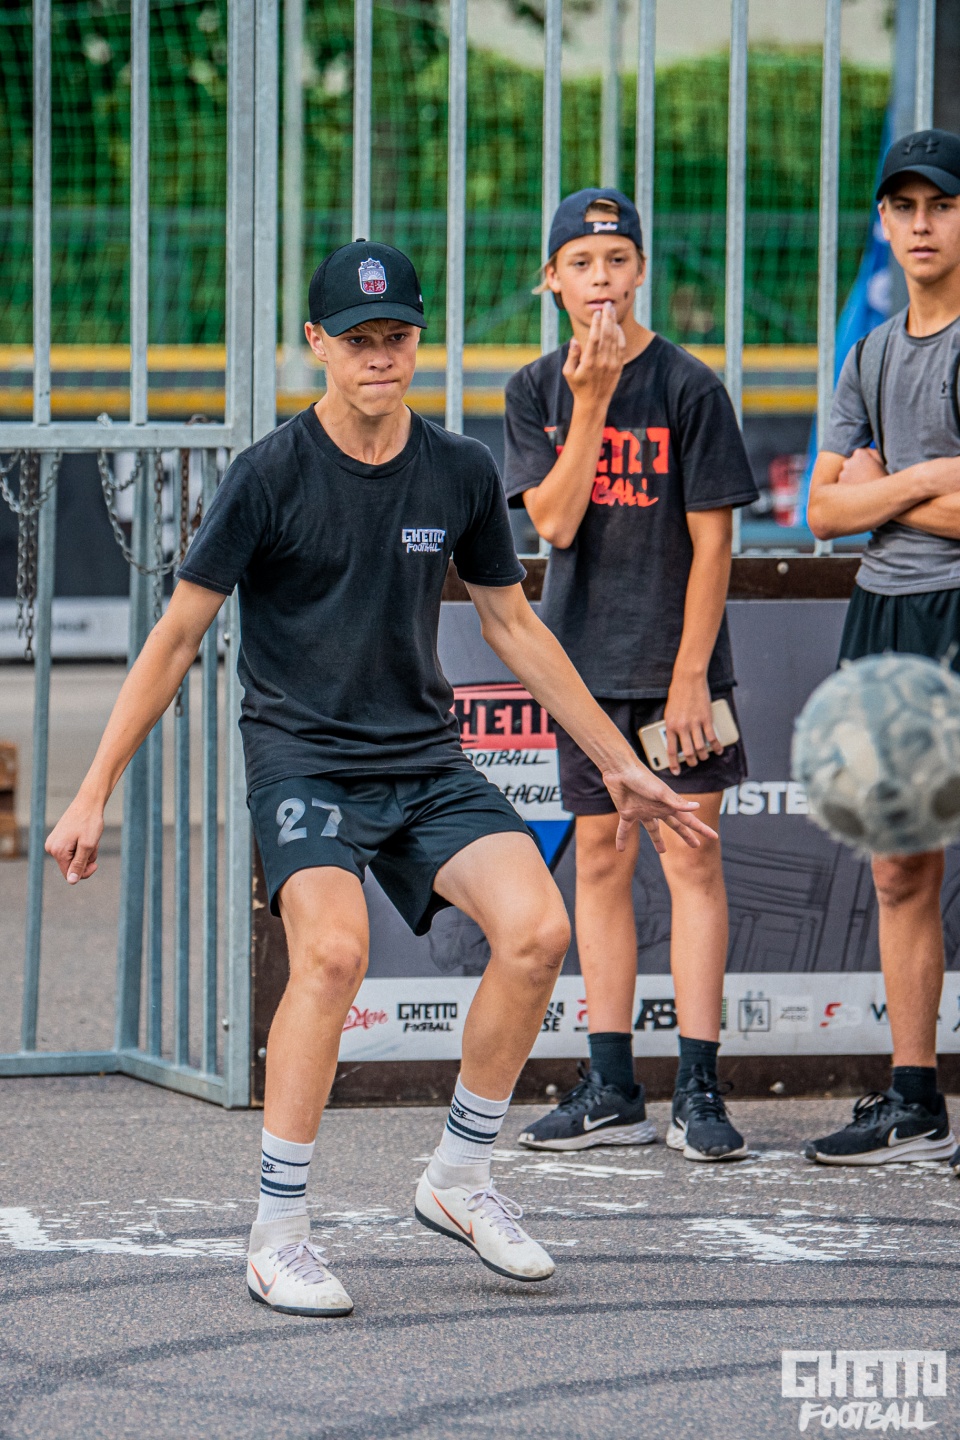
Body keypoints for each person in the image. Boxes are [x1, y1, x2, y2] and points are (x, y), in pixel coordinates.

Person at [45, 239, 716, 1317]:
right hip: (304, 757)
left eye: (397, 335)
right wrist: (93, 790)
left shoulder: (457, 470)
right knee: (333, 953)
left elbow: (514, 626)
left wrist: (617, 761)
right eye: (358, 338)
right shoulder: (268, 475)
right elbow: (176, 638)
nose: (380, 355)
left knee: (537, 931)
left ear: (417, 341)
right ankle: (277, 1234)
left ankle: (458, 1178)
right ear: (317, 343)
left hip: (422, 758)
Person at [502, 189, 759, 1163]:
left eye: (617, 260)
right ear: (553, 280)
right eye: (581, 263)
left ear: (641, 270)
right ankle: (612, 1085)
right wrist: (594, 399)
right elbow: (556, 522)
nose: (601, 280)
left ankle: (700, 1086)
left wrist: (692, 676)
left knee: (691, 861)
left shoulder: (691, 387)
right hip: (584, 675)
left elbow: (714, 544)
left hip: (680, 672)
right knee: (601, 863)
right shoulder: (536, 389)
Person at [806, 129, 960, 1167]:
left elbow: (854, 496)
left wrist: (880, 488)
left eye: (940, 205)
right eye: (903, 207)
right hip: (883, 614)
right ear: (882, 222)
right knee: (900, 869)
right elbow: (823, 511)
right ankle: (915, 1103)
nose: (921, 224)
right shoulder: (867, 353)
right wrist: (927, 480)